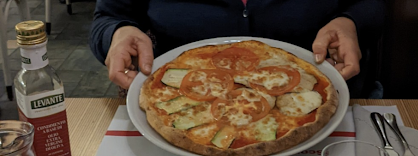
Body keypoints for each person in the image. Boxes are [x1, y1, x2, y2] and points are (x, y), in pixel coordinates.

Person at [90, 0, 386, 98]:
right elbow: (109, 16)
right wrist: (117, 32)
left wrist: (351, 22)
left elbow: (371, 3)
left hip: (322, 102)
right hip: (176, 104)